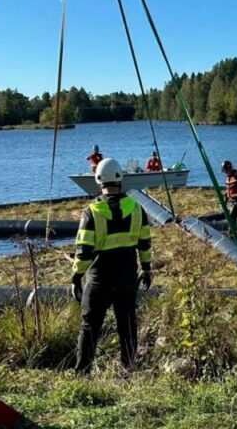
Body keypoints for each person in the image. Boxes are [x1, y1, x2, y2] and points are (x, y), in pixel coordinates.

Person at [71, 158, 153, 375]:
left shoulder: (91, 212)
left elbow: (83, 252)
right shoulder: (137, 209)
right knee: (127, 325)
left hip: (99, 278)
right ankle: (129, 371)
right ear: (120, 178)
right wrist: (146, 269)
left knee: (89, 326)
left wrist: (76, 277)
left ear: (98, 181)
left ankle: (82, 374)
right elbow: (145, 244)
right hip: (127, 277)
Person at [221, 160, 237, 227]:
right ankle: (232, 231)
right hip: (232, 202)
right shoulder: (228, 177)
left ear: (229, 168)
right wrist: (225, 200)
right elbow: (227, 190)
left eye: (226, 170)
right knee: (232, 218)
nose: (225, 172)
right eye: (224, 171)